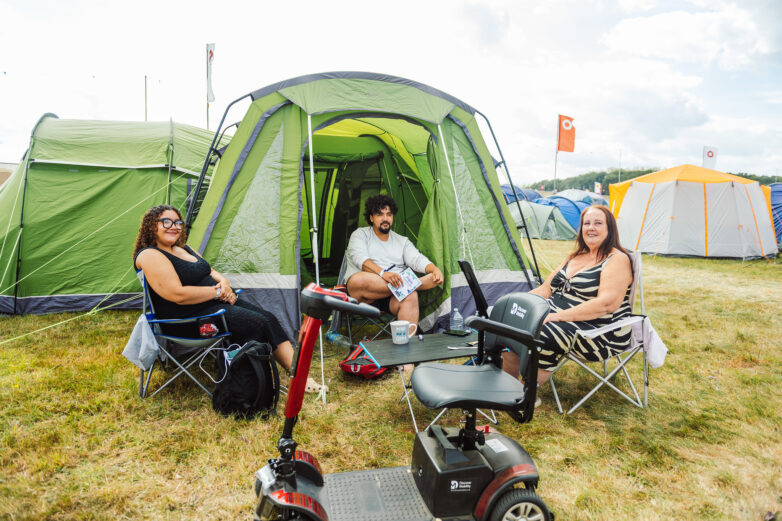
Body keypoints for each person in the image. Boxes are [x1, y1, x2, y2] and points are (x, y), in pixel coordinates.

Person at [133, 205, 325, 393]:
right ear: (152, 225)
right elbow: (177, 294)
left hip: (214, 305)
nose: (174, 226)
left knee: (269, 318)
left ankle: (298, 375)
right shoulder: (150, 254)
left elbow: (211, 271)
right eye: (166, 221)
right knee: (257, 324)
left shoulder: (185, 248)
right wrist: (217, 293)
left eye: (178, 222)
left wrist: (224, 284)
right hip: (187, 319)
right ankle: (252, 379)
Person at [503, 205, 634, 392]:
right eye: (586, 223)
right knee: (511, 320)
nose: (591, 228)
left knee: (545, 331)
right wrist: (514, 304)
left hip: (599, 330)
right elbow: (545, 290)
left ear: (609, 229)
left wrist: (557, 316)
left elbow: (606, 304)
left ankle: (525, 394)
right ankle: (507, 385)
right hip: (557, 317)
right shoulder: (575, 256)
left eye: (598, 223)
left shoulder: (617, 259)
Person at [345, 194, 444, 326]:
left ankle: (406, 343)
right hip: (365, 295)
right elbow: (361, 260)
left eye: (389, 214)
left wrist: (434, 269)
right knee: (357, 279)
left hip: (392, 297)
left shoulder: (402, 241)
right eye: (380, 214)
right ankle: (415, 284)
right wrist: (383, 274)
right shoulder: (360, 234)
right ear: (371, 218)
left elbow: (416, 259)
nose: (385, 218)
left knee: (411, 296)